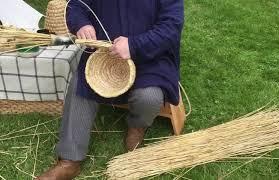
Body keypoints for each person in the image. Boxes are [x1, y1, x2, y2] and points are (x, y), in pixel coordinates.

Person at [36, 0, 184, 179]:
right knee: (82, 85)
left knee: (149, 97)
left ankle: (137, 126)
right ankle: (69, 160)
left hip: (150, 56)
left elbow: (171, 28)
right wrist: (82, 24)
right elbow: (75, 6)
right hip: (105, 54)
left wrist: (133, 45)